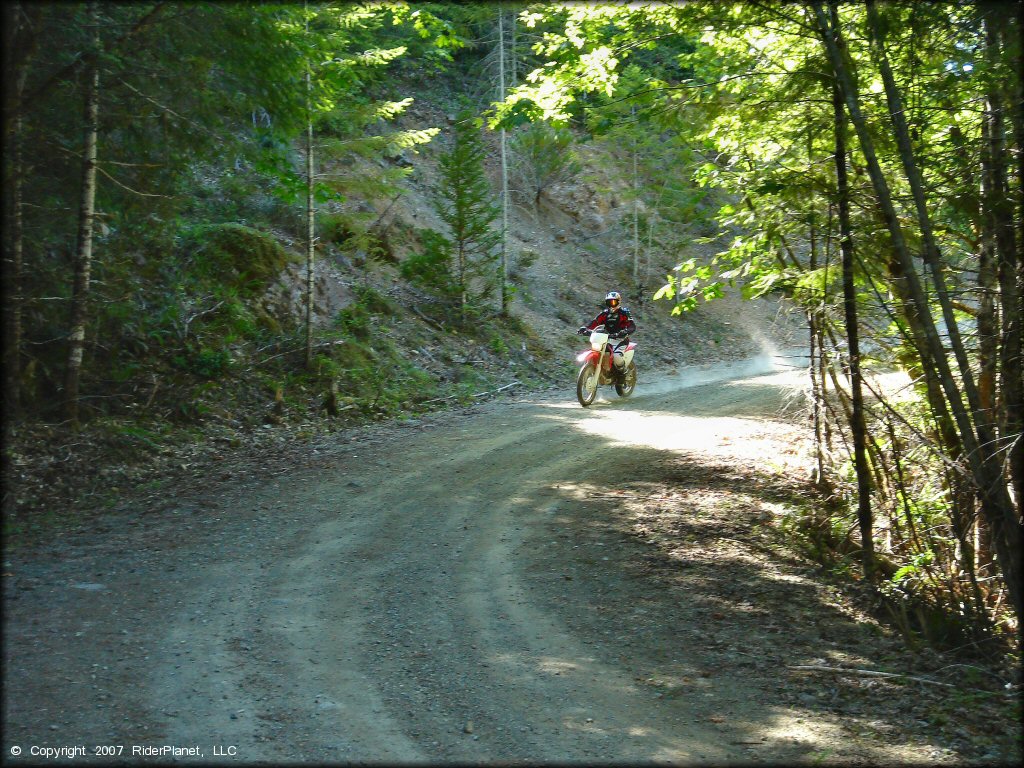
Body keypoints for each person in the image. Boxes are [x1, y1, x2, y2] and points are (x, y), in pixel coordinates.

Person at [577, 290, 636, 371]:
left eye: (613, 302)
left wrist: (624, 332)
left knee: (617, 356)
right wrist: (585, 329)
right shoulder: (604, 314)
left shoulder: (624, 313)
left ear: (618, 302)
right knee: (598, 350)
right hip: (606, 339)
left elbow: (632, 326)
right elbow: (595, 322)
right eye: (609, 302)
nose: (611, 305)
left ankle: (622, 377)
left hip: (620, 339)